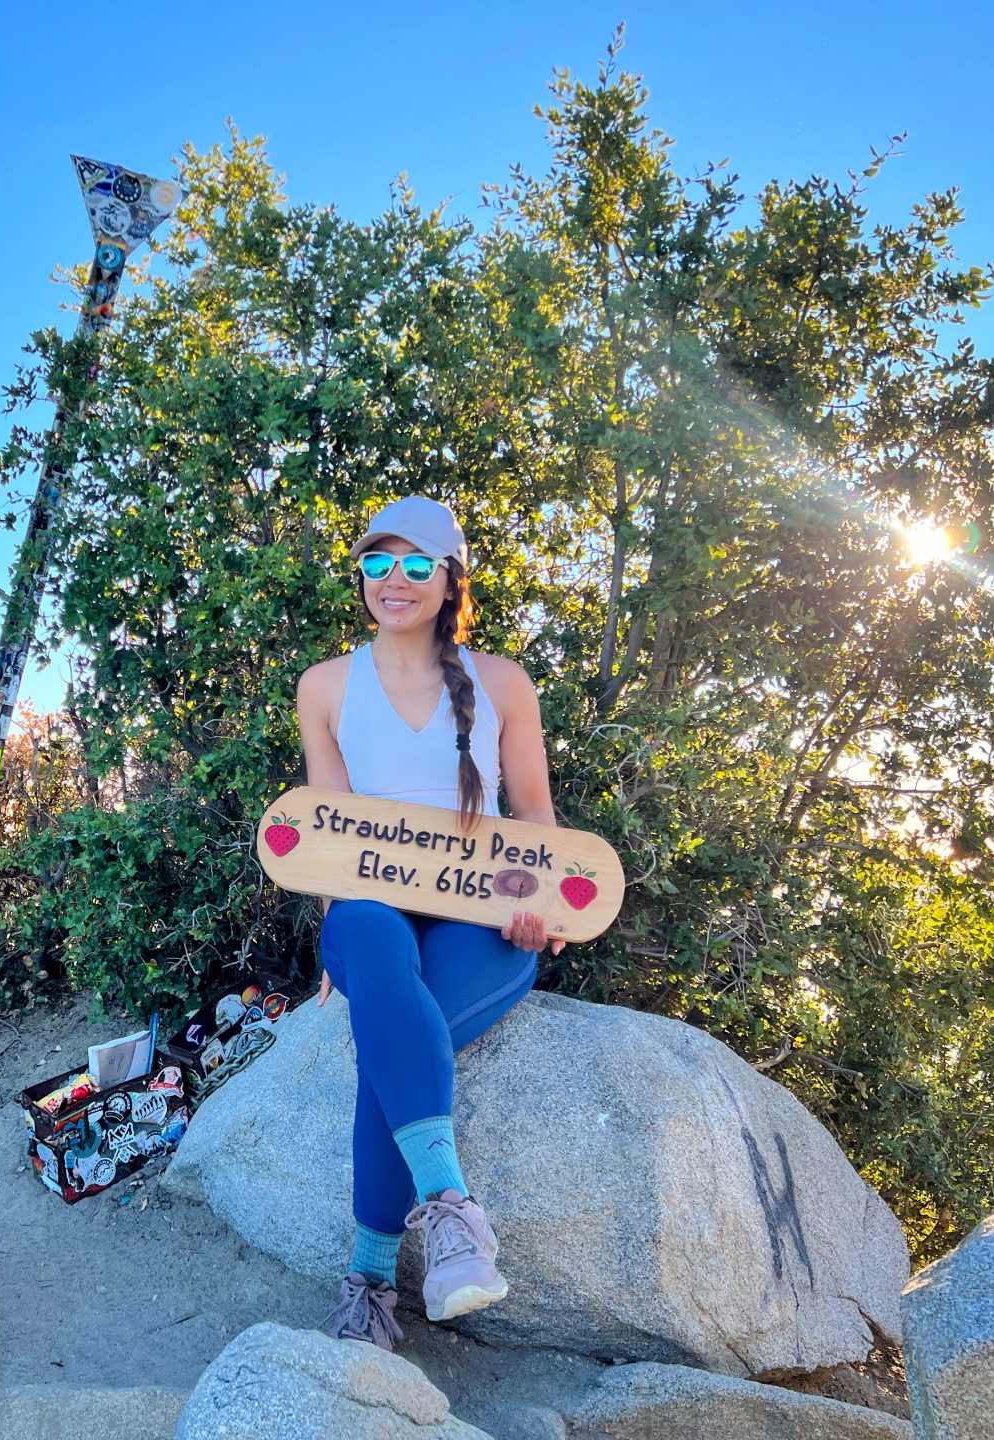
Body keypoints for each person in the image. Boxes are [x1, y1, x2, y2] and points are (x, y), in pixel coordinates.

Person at [293, 494, 562, 1353]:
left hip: (482, 921)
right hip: (372, 912)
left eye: (417, 563)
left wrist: (544, 904)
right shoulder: (325, 687)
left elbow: (537, 817)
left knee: (391, 1042)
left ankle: (370, 1279)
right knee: (374, 952)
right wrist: (343, 950)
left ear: (451, 580)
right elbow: (331, 836)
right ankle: (452, 1213)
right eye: (378, 562)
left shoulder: (503, 682)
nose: (394, 579)